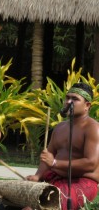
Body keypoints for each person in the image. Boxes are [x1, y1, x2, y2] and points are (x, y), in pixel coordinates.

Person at [25, 82, 99, 210]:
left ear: (87, 105)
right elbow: (47, 157)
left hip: (82, 182)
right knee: (21, 199)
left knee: (41, 207)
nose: (69, 102)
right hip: (55, 178)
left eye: (75, 99)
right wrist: (37, 176)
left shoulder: (93, 128)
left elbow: (91, 163)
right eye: (68, 98)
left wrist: (54, 163)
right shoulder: (60, 127)